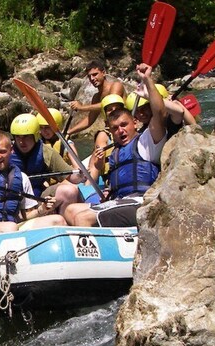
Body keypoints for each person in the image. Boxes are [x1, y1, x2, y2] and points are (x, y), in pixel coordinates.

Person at [62, 63, 167, 228]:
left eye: (124, 125)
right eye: (115, 128)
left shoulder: (146, 141)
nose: (120, 131)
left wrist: (147, 79)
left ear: (135, 122)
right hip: (120, 201)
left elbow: (160, 114)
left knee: (83, 218)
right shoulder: (116, 151)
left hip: (141, 202)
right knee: (70, 210)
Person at [9, 113, 88, 215]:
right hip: (13, 200)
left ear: (36, 136)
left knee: (69, 191)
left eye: (26, 137)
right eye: (18, 137)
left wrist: (81, 175)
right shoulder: (6, 152)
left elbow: (72, 177)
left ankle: (63, 222)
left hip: (38, 197)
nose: (21, 142)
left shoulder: (46, 152)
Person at [66, 60, 126, 137]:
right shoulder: (96, 97)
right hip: (111, 130)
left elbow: (109, 104)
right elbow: (90, 119)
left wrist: (81, 107)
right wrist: (69, 132)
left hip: (123, 128)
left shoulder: (116, 86)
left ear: (103, 73)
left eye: (95, 74)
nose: (92, 78)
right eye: (89, 76)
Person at [125, 83, 196, 138]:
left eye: (144, 108)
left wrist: (176, 103)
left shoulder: (170, 121)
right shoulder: (143, 131)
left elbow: (193, 125)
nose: (141, 114)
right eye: (136, 111)